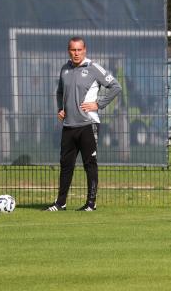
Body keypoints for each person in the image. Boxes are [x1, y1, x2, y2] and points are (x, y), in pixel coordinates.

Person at [43, 37, 122, 211]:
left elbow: (116, 86)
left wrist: (98, 104)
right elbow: (59, 92)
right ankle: (60, 203)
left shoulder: (93, 68)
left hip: (88, 124)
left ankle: (91, 204)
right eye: (73, 50)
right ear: (68, 51)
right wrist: (60, 109)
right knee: (66, 165)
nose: (76, 53)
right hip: (68, 126)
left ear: (84, 50)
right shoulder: (65, 69)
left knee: (90, 164)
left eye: (79, 50)